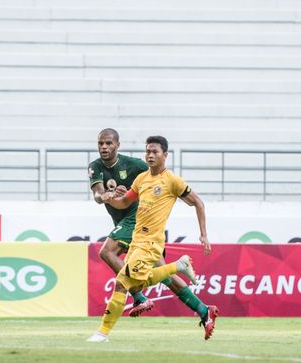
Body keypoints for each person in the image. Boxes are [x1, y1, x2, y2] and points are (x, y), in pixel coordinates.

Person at [87, 135, 218, 343]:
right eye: (147, 151)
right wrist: (112, 197)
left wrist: (203, 234)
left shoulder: (172, 180)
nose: (150, 155)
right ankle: (202, 308)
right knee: (154, 278)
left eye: (155, 152)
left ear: (165, 155)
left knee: (121, 281)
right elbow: (123, 203)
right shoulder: (142, 179)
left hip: (150, 241)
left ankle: (102, 334)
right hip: (139, 238)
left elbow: (198, 203)